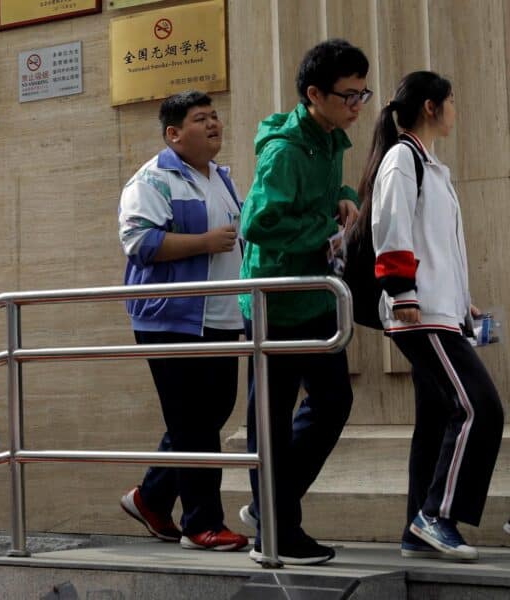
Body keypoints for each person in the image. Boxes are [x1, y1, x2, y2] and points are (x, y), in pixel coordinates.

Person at [237, 38, 370, 565]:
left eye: (363, 94)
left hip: (314, 296)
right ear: (315, 94)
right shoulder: (286, 149)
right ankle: (274, 528)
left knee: (334, 402)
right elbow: (259, 222)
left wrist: (346, 200)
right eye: (348, 96)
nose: (358, 106)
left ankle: (272, 504)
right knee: (268, 419)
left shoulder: (330, 137)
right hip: (275, 300)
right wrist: (321, 228)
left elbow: (325, 196)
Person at [360, 71, 503, 560]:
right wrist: (402, 293)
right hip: (418, 314)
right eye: (452, 100)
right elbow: (391, 228)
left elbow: (438, 246)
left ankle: (413, 529)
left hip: (440, 311)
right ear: (429, 106)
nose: (456, 109)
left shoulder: (429, 164)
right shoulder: (403, 159)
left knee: (439, 417)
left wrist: (463, 301)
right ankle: (435, 515)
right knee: (479, 408)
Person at [116, 91, 247, 552]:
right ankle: (202, 524)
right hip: (171, 318)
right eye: (200, 119)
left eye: (215, 116)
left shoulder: (222, 179)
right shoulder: (153, 180)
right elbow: (139, 242)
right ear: (174, 134)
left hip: (221, 317)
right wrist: (204, 241)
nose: (214, 124)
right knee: (196, 424)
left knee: (208, 415)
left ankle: (151, 497)